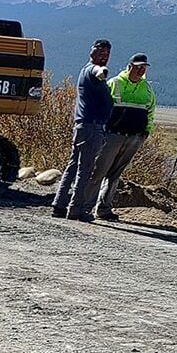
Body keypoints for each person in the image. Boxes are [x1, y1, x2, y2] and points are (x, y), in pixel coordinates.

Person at [51, 39, 113, 221]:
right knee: (84, 169)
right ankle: (76, 209)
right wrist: (102, 72)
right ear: (91, 52)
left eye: (107, 54)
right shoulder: (93, 70)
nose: (104, 57)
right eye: (100, 52)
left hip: (82, 126)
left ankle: (59, 204)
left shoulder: (84, 71)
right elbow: (98, 71)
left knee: (73, 166)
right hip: (91, 127)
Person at [92, 53, 156, 221]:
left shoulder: (147, 89)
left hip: (134, 137)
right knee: (99, 170)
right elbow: (100, 107)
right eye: (138, 67)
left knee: (116, 174)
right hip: (112, 135)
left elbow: (150, 112)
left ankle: (103, 209)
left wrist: (145, 132)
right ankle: (84, 206)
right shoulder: (114, 83)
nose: (141, 70)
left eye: (143, 67)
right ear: (129, 67)